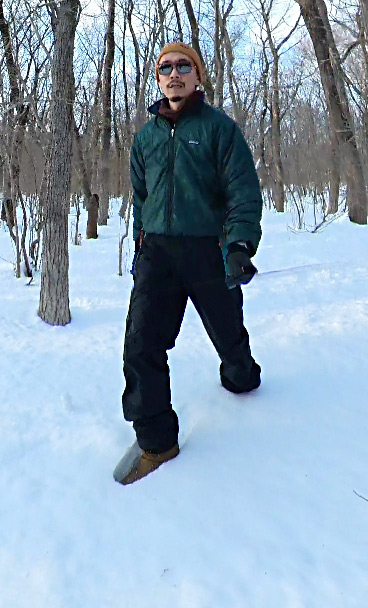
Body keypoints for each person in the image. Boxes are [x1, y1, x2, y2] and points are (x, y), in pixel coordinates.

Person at [114, 41, 262, 486]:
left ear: (197, 77)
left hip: (207, 250)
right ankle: (156, 442)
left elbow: (243, 191)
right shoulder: (145, 138)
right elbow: (140, 200)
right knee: (140, 343)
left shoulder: (219, 129)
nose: (174, 74)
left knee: (229, 339)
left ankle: (241, 375)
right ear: (158, 79)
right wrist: (140, 250)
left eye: (184, 67)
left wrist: (238, 245)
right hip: (157, 253)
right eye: (165, 68)